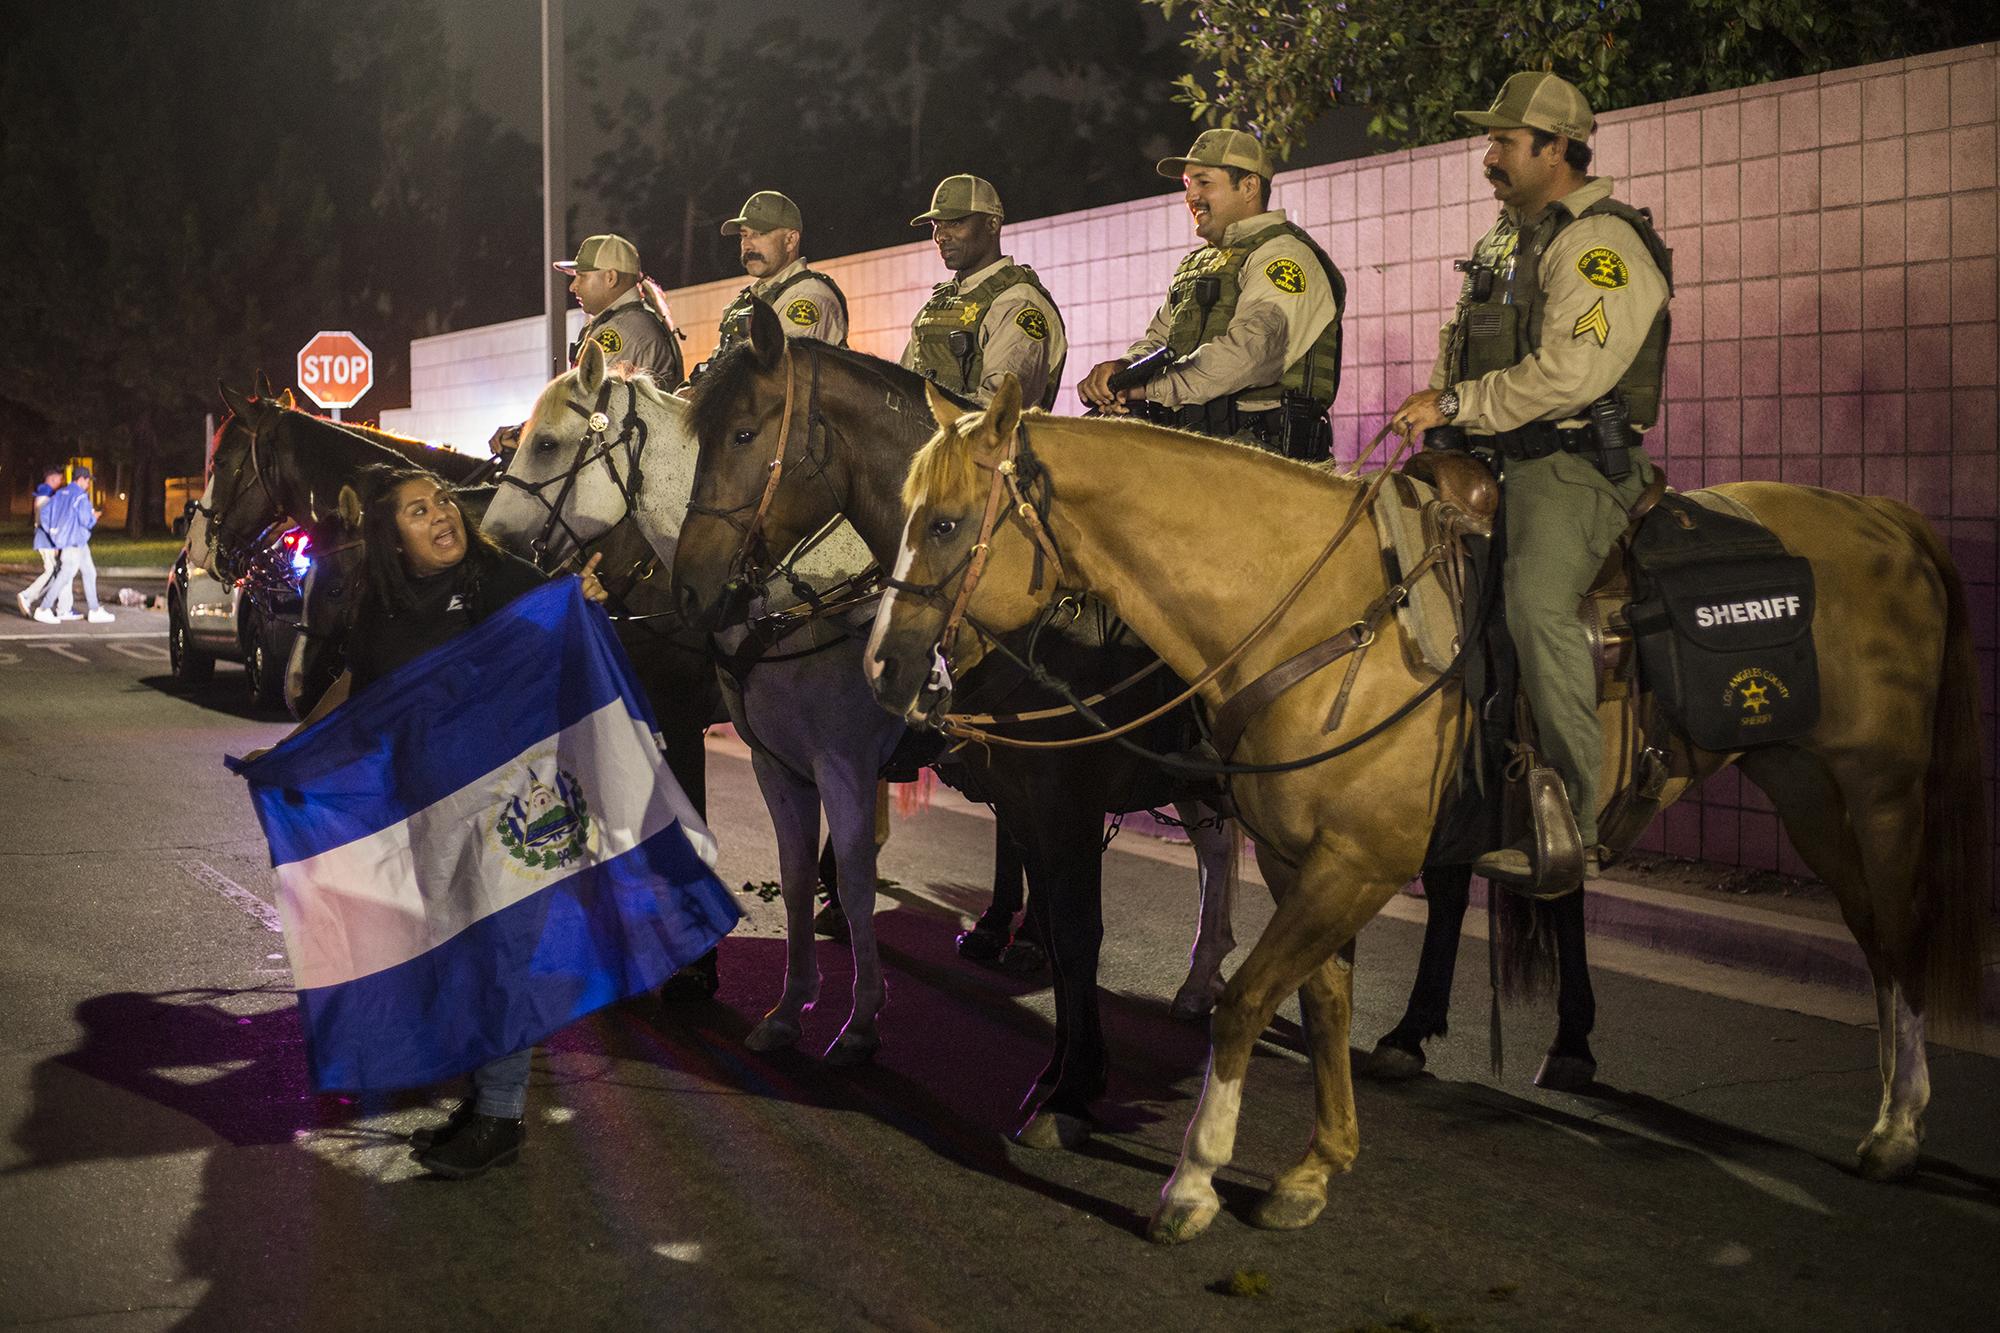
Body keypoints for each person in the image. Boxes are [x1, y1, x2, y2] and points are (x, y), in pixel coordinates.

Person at [272, 464, 610, 1178]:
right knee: (460, 953)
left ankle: (501, 1116)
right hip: (428, 809)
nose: (442, 515)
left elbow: (564, 612)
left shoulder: (496, 580)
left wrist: (583, 598)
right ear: (391, 538)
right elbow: (357, 692)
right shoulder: (382, 610)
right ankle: (482, 1101)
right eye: (419, 510)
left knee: (499, 954)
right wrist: (291, 755)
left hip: (511, 802)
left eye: (445, 501)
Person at [1387, 71, 1673, 892]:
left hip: (1575, 466)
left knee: (1537, 605)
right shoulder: (1506, 241)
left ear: (1557, 148)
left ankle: (1578, 824)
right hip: (1496, 456)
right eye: (1491, 141)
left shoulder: (1601, 245)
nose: (1489, 156)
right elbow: (1459, 346)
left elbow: (1572, 373)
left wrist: (1456, 402)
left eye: (1505, 142)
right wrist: (1447, 411)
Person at [1078, 127, 1345, 459]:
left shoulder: (1284, 257)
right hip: (1202, 458)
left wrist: (1149, 388)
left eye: (1204, 182)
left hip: (1270, 466)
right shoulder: (1198, 263)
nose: (1191, 197)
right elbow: (1161, 342)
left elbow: (1247, 356)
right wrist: (1120, 372)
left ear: (1249, 187)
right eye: (1188, 185)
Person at [901, 174, 1068, 410]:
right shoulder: (938, 304)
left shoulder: (1017, 302)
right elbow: (901, 390)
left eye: (956, 222)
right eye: (937, 225)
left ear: (992, 224)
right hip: (938, 443)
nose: (941, 236)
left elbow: (995, 410)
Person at [712, 191, 848, 358]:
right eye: (744, 235)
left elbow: (780, 376)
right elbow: (715, 369)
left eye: (760, 234)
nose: (747, 245)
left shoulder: (807, 297)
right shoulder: (747, 300)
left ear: (790, 240)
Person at [555, 233, 686, 385]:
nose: (573, 287)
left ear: (611, 278)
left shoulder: (620, 331)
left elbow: (590, 401)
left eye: (582, 276)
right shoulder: (632, 321)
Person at [33, 466, 112, 625]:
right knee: (65, 575)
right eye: (88, 480)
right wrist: (94, 517)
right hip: (74, 541)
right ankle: (43, 609)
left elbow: (45, 514)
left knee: (89, 572)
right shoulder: (81, 497)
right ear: (81, 479)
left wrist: (53, 532)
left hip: (76, 542)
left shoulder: (61, 493)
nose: (89, 484)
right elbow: (86, 521)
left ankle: (94, 610)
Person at [16, 468, 63, 617]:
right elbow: (45, 520)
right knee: (50, 571)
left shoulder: (44, 493)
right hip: (45, 539)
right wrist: (55, 541)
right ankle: (27, 596)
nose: (61, 482)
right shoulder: (46, 494)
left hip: (45, 538)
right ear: (52, 478)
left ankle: (31, 598)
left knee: (53, 572)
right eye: (59, 479)